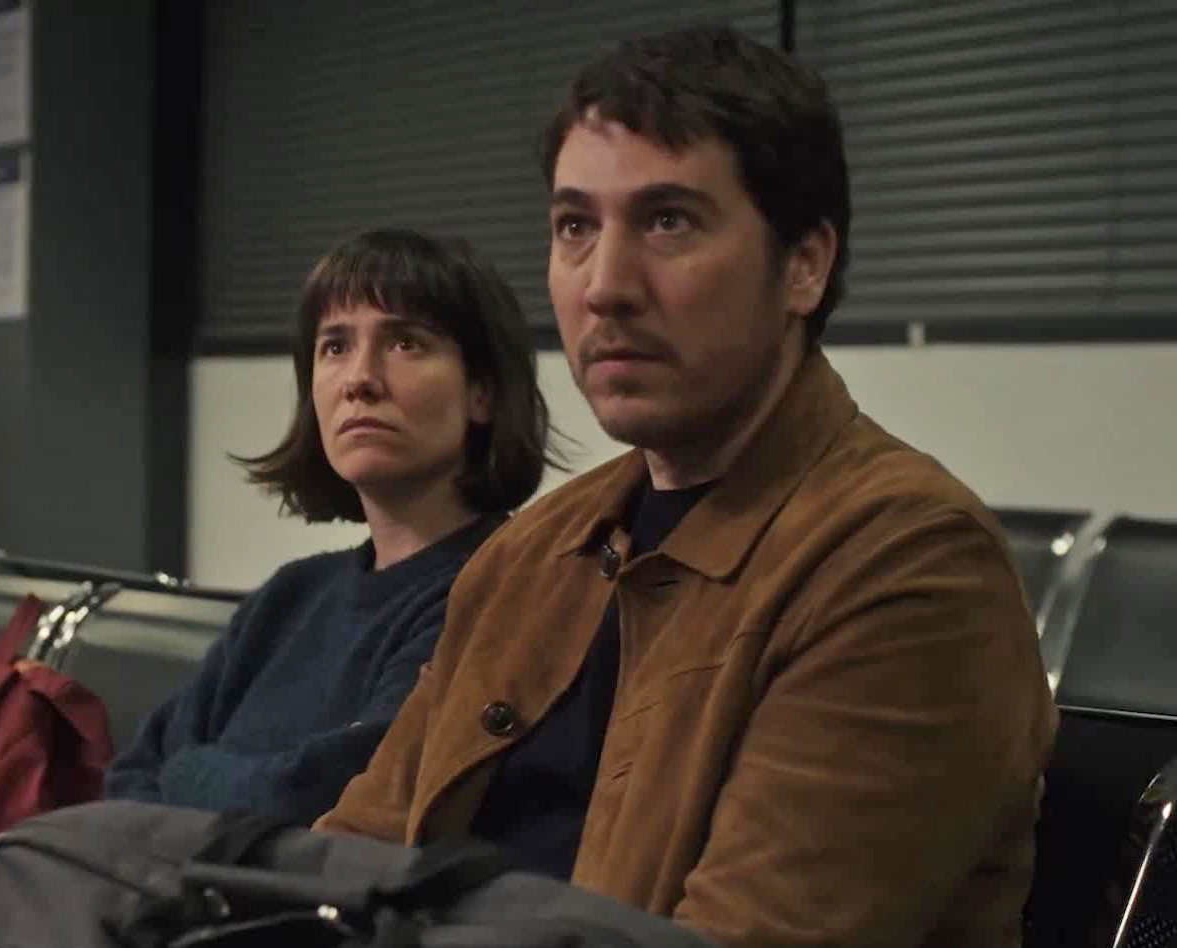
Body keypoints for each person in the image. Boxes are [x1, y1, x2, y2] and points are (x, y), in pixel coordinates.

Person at [316, 27, 1056, 948]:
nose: (605, 287)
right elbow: (341, 864)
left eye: (668, 221)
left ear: (804, 264)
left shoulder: (911, 569)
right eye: (575, 227)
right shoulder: (528, 554)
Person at [100, 227, 560, 824]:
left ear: (482, 394)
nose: (359, 379)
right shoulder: (288, 597)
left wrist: (189, 773)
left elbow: (335, 794)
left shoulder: (499, 592)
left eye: (406, 343)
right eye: (335, 346)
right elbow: (133, 773)